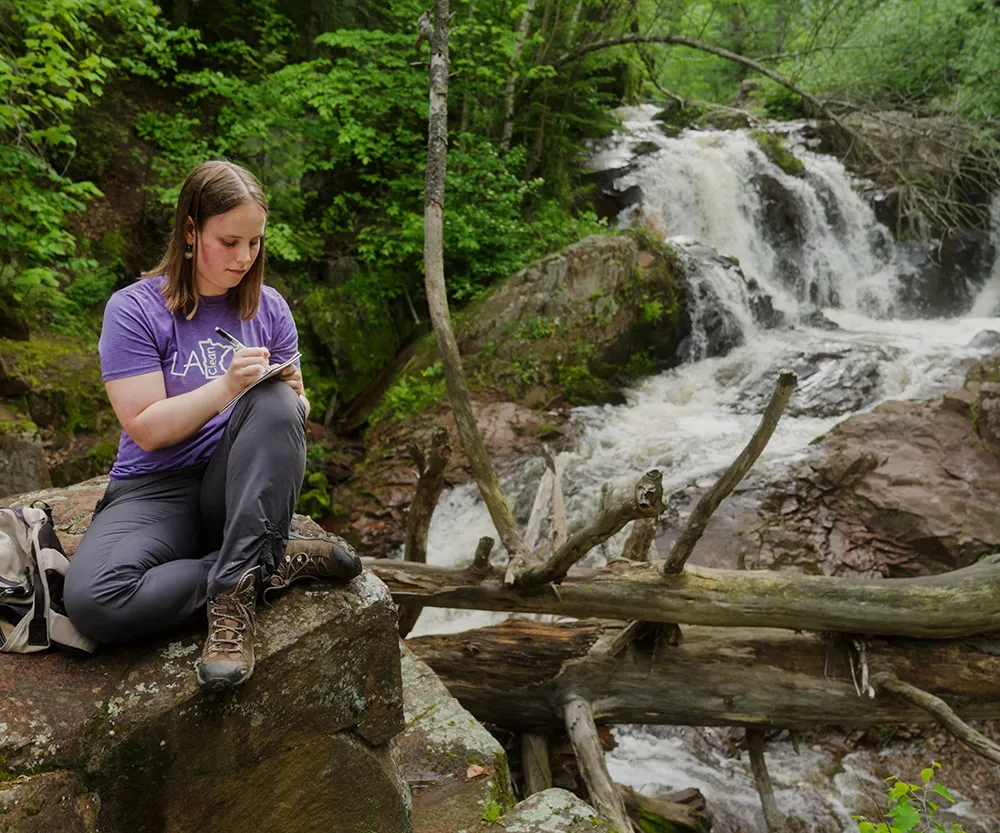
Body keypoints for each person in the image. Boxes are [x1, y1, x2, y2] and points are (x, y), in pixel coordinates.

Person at [64, 160, 362, 692]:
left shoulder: (269, 308)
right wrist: (226, 386)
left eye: (255, 243)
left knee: (276, 401)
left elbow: (294, 415)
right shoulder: (134, 310)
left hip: (236, 487)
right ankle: (271, 558)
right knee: (94, 603)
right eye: (230, 242)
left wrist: (293, 395)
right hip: (153, 489)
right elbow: (147, 429)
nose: (245, 258)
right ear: (190, 230)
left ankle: (234, 594)